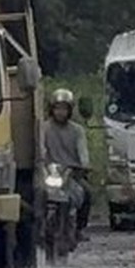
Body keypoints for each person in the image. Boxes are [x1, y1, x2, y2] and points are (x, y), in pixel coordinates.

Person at [41, 88, 92, 240]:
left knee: (87, 193)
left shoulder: (77, 131)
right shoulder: (44, 128)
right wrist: (42, 164)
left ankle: (79, 229)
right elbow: (41, 150)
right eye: (57, 108)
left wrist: (85, 165)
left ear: (70, 110)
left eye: (64, 108)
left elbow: (83, 153)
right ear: (51, 109)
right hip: (49, 172)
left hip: (72, 174)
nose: (60, 112)